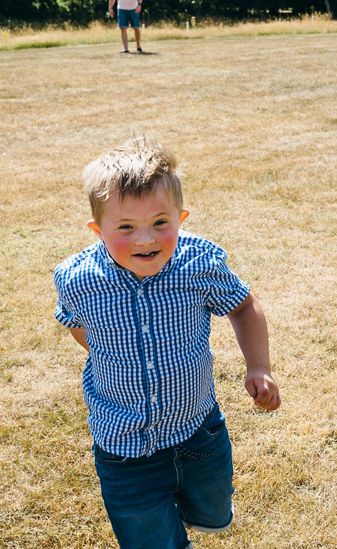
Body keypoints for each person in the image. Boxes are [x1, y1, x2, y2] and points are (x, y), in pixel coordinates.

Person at [53, 138, 280, 549]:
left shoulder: (198, 264)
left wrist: (258, 366)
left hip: (198, 432)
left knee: (212, 515)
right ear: (97, 230)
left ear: (181, 217)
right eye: (125, 227)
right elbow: (75, 324)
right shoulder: (77, 279)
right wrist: (109, 351)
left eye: (161, 222)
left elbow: (244, 306)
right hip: (124, 447)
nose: (146, 239)